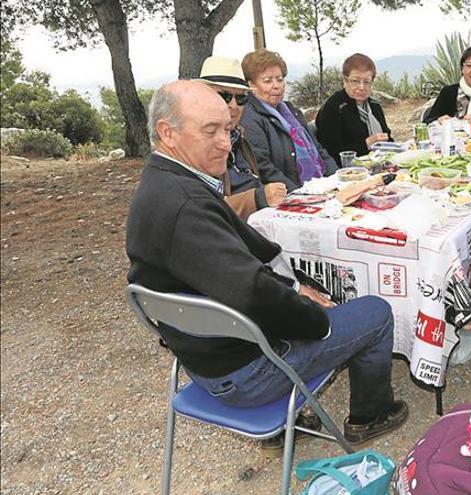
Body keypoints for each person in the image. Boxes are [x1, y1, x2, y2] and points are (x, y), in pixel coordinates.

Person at [126, 80, 408, 445]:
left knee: (310, 291)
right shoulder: (185, 205)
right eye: (210, 131)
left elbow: (244, 252)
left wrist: (296, 286)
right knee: (375, 312)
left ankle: (286, 424)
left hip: (203, 359)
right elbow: (254, 295)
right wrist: (317, 317)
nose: (225, 144)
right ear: (168, 133)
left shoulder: (163, 183)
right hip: (245, 374)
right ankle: (371, 415)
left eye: (228, 129)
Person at [196, 56, 289, 219]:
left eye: (240, 98)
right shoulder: (193, 146)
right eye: (224, 96)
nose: (233, 105)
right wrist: (258, 198)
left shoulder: (238, 137)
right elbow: (202, 212)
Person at [240, 49, 336, 190]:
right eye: (267, 81)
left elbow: (318, 149)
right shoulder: (250, 117)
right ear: (251, 85)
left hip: (321, 188)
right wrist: (300, 194)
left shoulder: (292, 111)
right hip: (292, 195)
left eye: (279, 79)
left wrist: (336, 179)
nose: (276, 85)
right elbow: (264, 167)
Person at [316, 53, 392, 166]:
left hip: (380, 163)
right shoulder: (334, 108)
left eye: (366, 82)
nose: (361, 87)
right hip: (348, 170)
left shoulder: (374, 106)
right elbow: (330, 152)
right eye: (355, 81)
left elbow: (388, 138)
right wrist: (366, 144)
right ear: (345, 81)